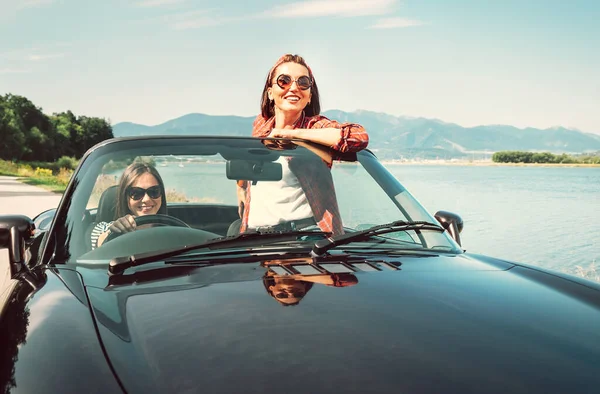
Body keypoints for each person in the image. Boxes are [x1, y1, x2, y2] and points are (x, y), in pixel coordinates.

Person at [236, 53, 369, 236]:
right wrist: (241, 186)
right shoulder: (261, 125)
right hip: (253, 238)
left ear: (308, 96)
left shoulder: (314, 127)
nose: (294, 88)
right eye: (284, 81)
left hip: (302, 240)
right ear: (270, 92)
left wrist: (293, 135)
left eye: (303, 82)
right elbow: (247, 162)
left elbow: (359, 136)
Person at [90, 161, 168, 249]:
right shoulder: (110, 227)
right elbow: (98, 237)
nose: (147, 199)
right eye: (136, 193)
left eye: (154, 191)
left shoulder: (173, 229)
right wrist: (113, 233)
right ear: (125, 197)